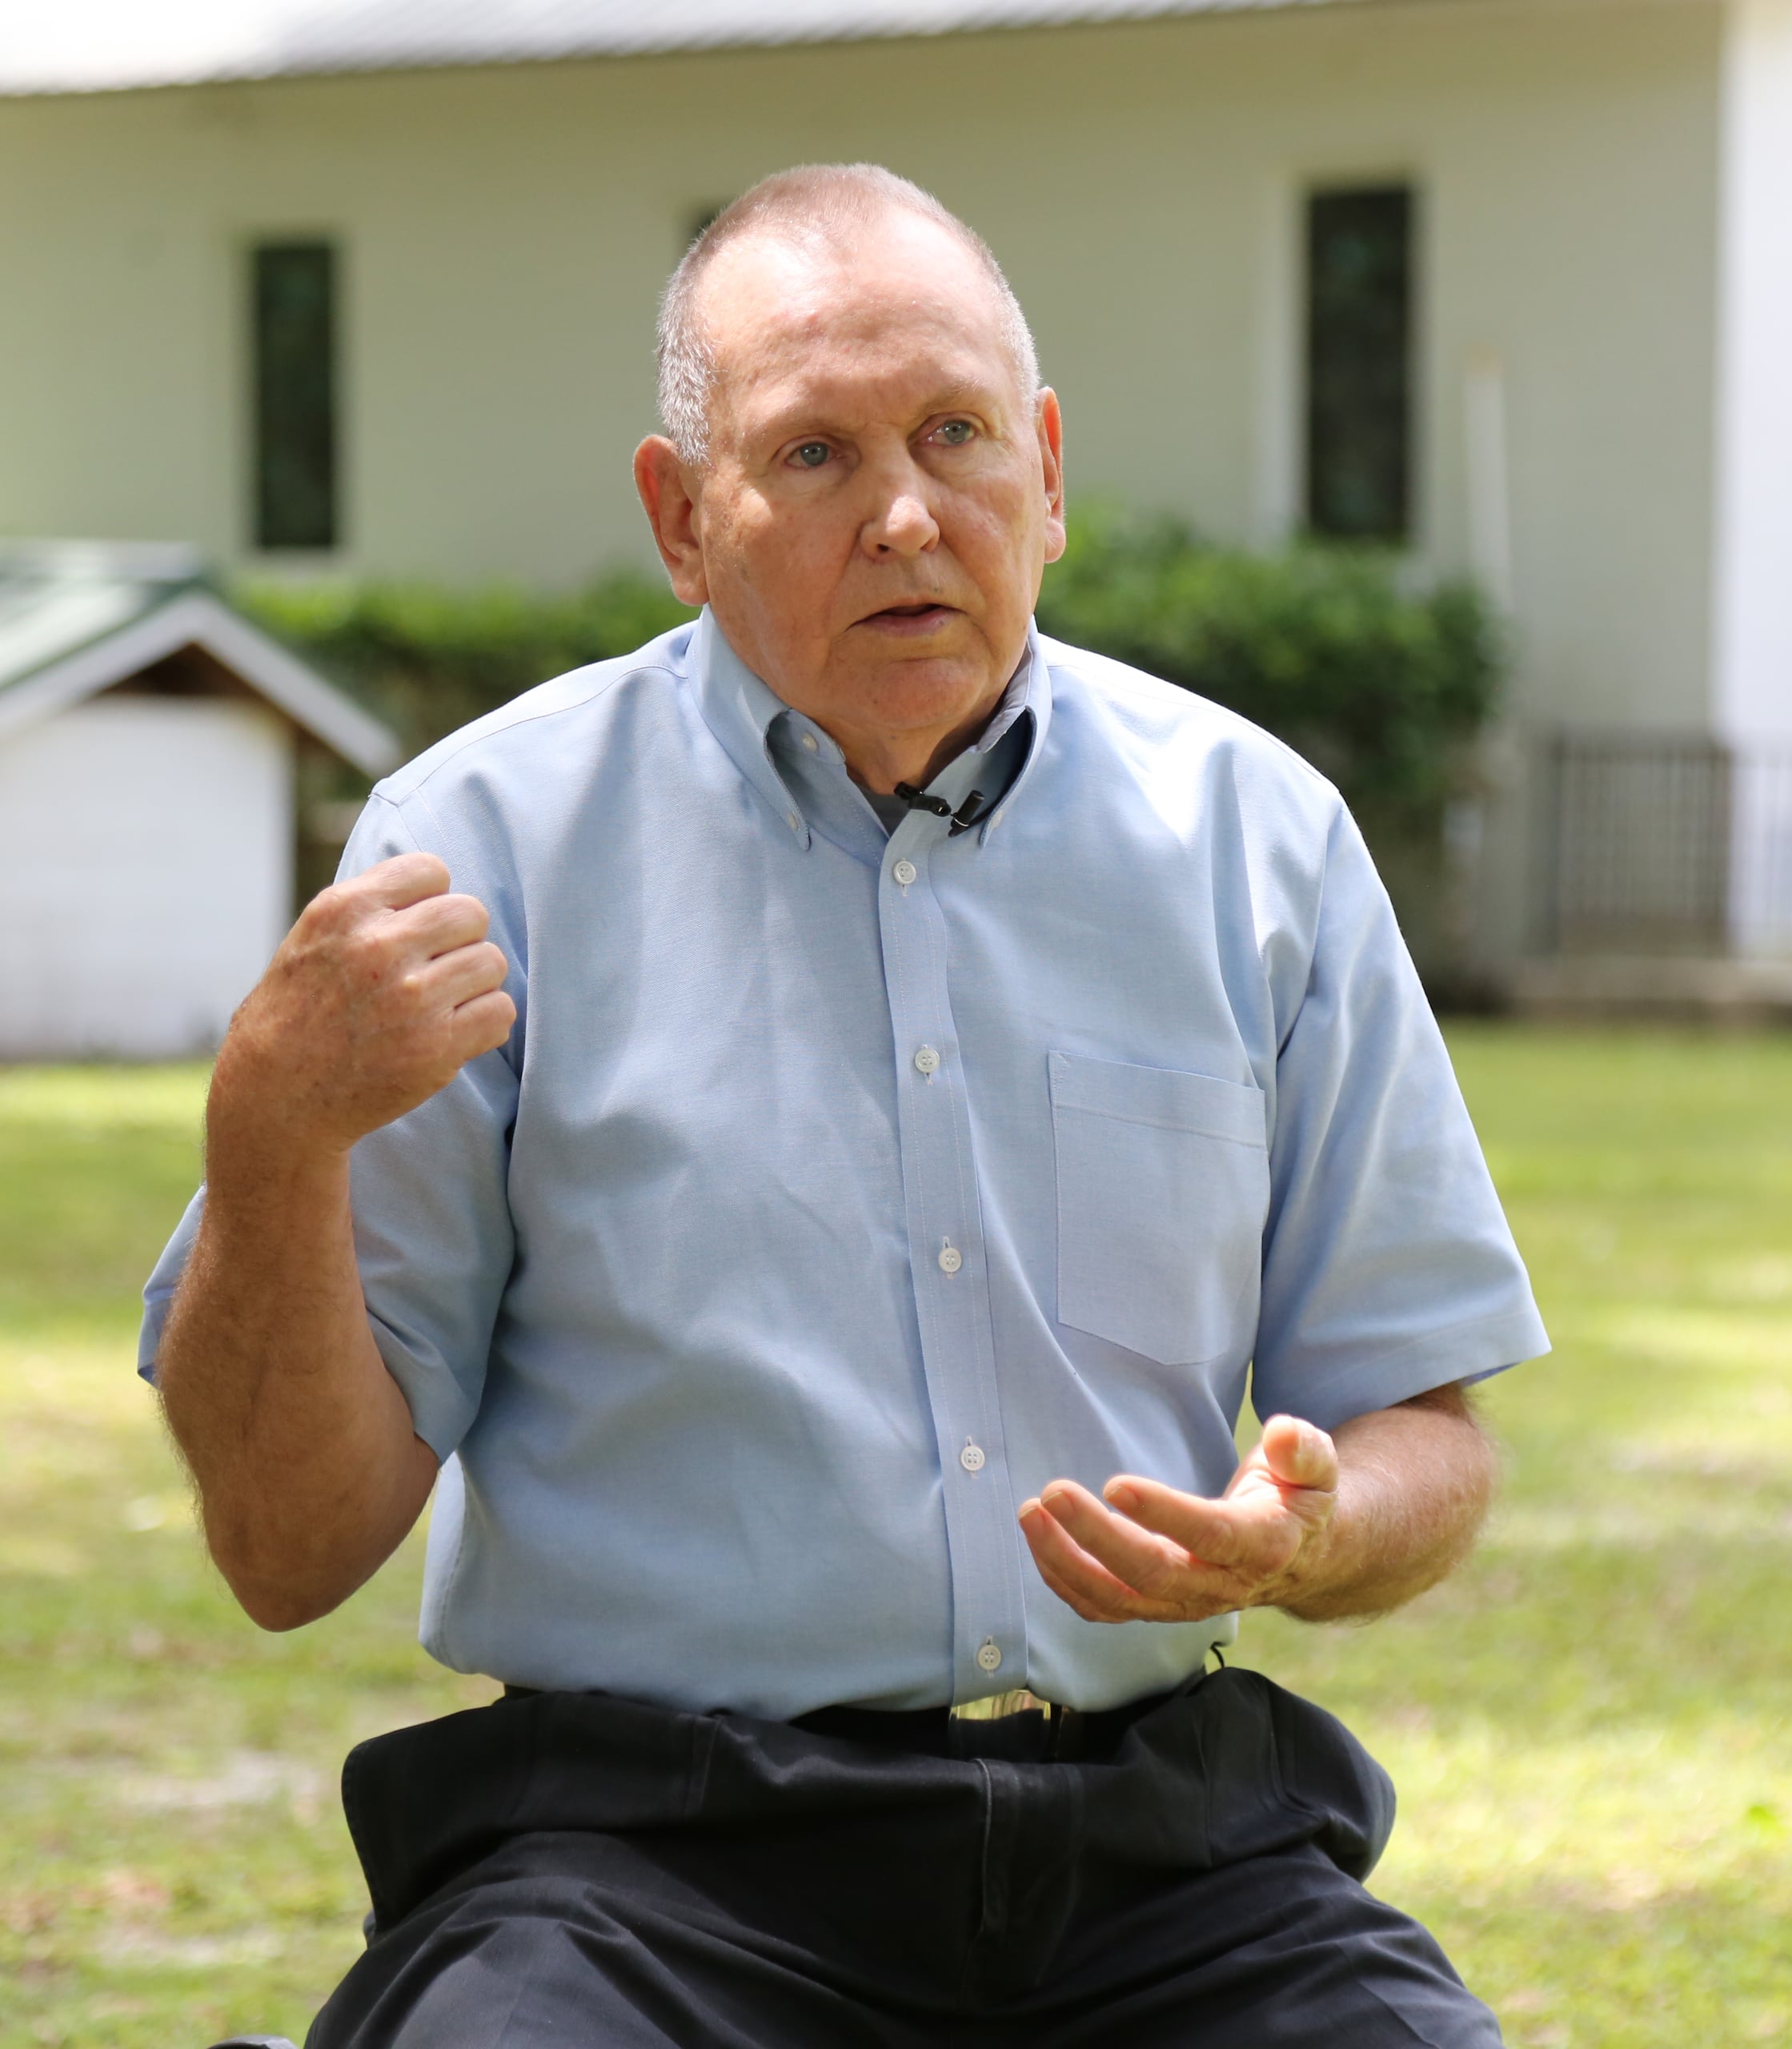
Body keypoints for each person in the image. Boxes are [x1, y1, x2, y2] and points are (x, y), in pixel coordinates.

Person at [141, 162, 1548, 2047]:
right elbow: (284, 1548)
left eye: (957, 433)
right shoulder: (478, 855)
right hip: (647, 1862)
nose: (904, 513)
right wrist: (269, 1136)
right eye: (813, 455)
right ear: (681, 518)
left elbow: (1422, 1424)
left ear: (1049, 470)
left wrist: (1313, 1532)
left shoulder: (1256, 838)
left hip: (1169, 1866)